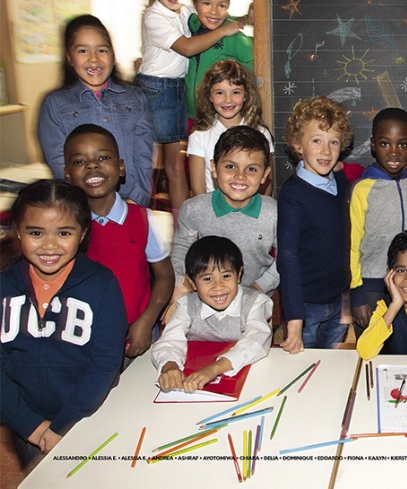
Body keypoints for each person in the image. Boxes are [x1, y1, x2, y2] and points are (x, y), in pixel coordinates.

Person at [1, 180, 126, 463]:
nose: (49, 245)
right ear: (18, 232)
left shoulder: (102, 285)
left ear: (82, 234)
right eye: (36, 232)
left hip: (85, 418)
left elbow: (104, 364)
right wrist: (29, 425)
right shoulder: (3, 286)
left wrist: (63, 424)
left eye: (64, 232)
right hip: (25, 424)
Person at [138, 0, 244, 217]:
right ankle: (170, 222)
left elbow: (212, 15)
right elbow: (186, 47)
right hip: (158, 89)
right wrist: (225, 30)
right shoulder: (155, 16)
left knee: (175, 165)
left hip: (174, 88)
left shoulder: (184, 11)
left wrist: (246, 20)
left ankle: (179, 219)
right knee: (162, 165)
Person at [63, 125, 173, 362]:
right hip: (82, 342)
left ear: (121, 167)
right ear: (67, 174)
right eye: (80, 161)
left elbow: (164, 277)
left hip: (135, 335)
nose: (92, 165)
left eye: (103, 157)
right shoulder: (65, 229)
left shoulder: (145, 220)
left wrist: (147, 321)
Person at [38, 14, 154, 206]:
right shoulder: (54, 104)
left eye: (102, 50)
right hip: (83, 208)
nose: (94, 59)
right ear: (69, 58)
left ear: (113, 55)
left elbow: (145, 156)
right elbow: (60, 165)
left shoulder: (135, 97)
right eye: (83, 51)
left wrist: (136, 200)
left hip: (132, 203)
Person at [171, 126, 277, 307]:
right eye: (230, 166)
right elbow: (181, 248)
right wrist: (184, 280)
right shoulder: (194, 209)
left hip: (256, 298)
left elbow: (287, 258)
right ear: (214, 168)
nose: (240, 176)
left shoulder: (274, 213)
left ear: (264, 175)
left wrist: (259, 286)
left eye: (251, 169)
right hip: (206, 298)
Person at [278, 97, 353, 353]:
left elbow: (357, 171)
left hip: (340, 299)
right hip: (306, 305)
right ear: (298, 145)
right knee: (302, 364)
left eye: (333, 142)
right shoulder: (292, 195)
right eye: (316, 141)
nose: (326, 151)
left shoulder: (340, 181)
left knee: (331, 364)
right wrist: (295, 320)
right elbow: (287, 258)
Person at [153, 236, 272, 393]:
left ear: (239, 274)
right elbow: (169, 340)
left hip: (248, 379)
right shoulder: (187, 305)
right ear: (192, 283)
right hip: (196, 380)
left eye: (226, 276)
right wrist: (170, 366)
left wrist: (215, 369)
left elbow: (256, 339)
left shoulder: (254, 302)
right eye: (207, 278)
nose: (218, 286)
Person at [349, 108, 407, 332]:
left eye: (402, 144)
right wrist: (357, 294)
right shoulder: (362, 189)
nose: (394, 152)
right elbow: (352, 246)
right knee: (372, 349)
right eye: (385, 143)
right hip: (371, 285)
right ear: (373, 144)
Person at [187, 60, 274, 196]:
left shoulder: (261, 132)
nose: (228, 100)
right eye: (220, 93)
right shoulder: (199, 136)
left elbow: (266, 183)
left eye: (235, 92)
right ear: (209, 96)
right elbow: (198, 190)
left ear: (246, 95)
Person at [183, 0, 253, 119]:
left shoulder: (234, 37)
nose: (214, 11)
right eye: (207, 3)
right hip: (190, 115)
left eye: (221, 5)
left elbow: (256, 66)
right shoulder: (189, 26)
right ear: (195, 4)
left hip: (221, 115)